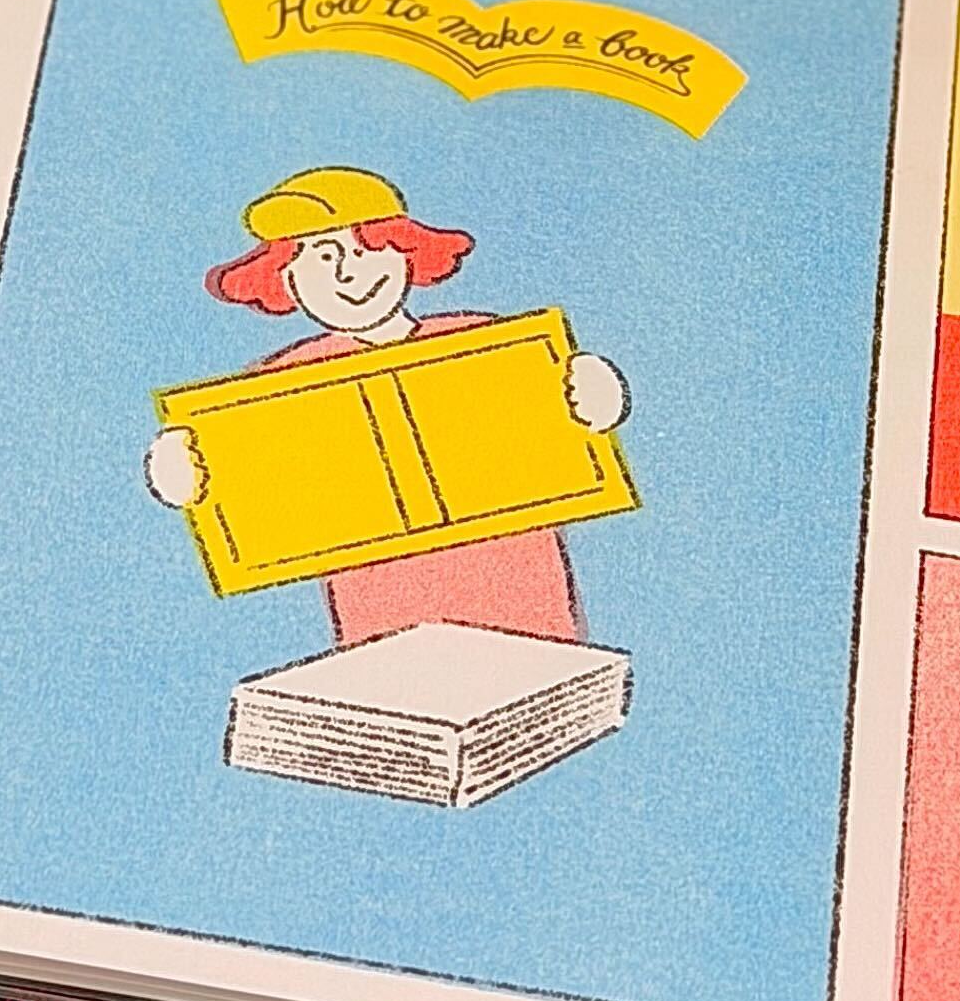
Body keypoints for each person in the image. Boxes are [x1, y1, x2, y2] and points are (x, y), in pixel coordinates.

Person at [143, 164, 629, 649]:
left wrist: (593, 394)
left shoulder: (483, 341)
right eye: (322, 256)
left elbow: (569, 424)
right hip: (384, 618)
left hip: (521, 599)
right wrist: (183, 471)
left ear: (406, 251)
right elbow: (236, 476)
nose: (347, 272)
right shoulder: (284, 381)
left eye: (366, 248)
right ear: (284, 278)